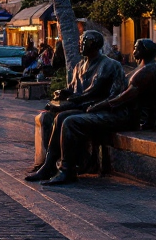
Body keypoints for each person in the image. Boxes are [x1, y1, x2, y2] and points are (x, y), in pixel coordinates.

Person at [31, 39, 156, 186]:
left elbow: (124, 97)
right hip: (121, 112)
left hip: (132, 119)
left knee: (71, 122)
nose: (133, 50)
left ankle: (67, 171)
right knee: (62, 116)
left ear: (146, 50)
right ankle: (49, 166)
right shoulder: (141, 67)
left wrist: (100, 105)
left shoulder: (151, 69)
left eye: (136, 48)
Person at [27, 30, 126, 180]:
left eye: (83, 42)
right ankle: (49, 165)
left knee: (65, 119)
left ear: (94, 45)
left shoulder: (111, 65)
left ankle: (67, 169)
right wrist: (63, 92)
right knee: (48, 116)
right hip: (83, 109)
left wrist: (71, 104)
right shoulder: (80, 65)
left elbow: (115, 95)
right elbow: (74, 90)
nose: (80, 45)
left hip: (101, 110)